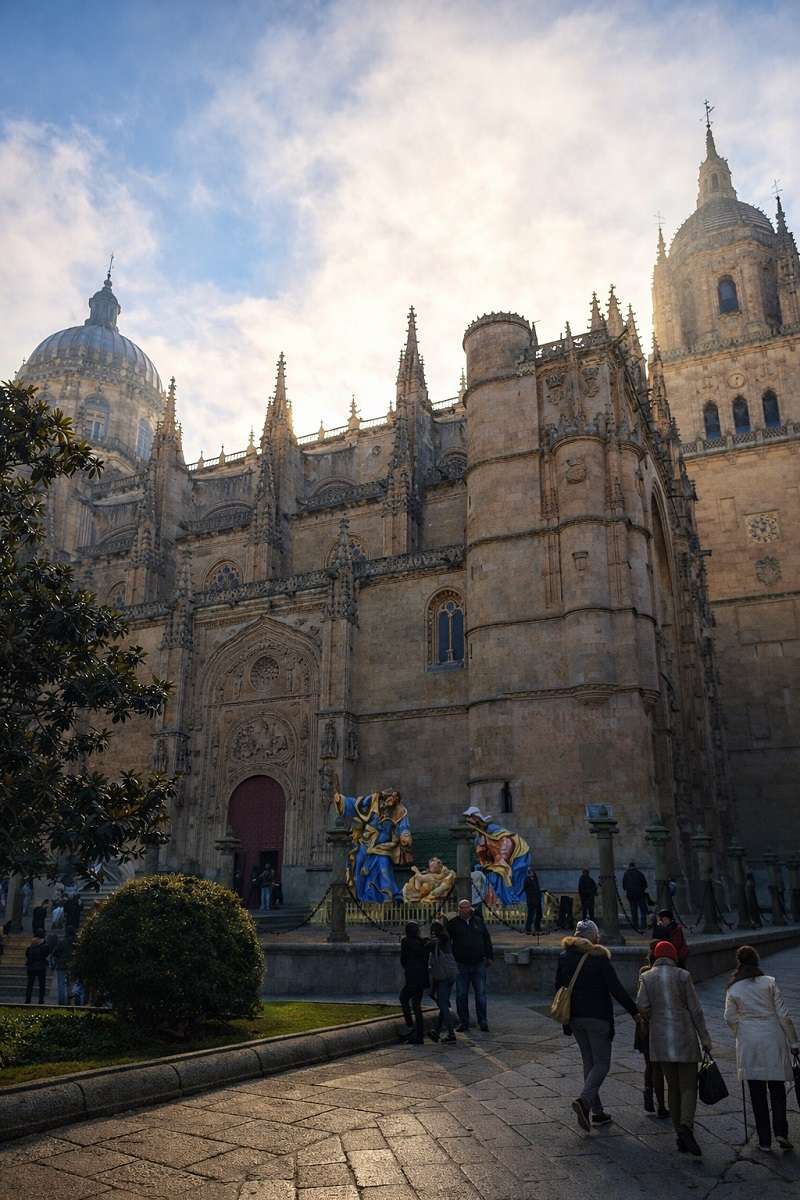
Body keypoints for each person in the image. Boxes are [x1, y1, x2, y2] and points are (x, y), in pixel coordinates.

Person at [555, 919, 638, 1132]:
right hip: (597, 1018)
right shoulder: (598, 958)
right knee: (602, 1064)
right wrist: (635, 1012)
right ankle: (584, 1102)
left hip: (575, 1018)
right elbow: (616, 989)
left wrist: (565, 1020)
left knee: (589, 1063)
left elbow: (559, 988)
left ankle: (597, 1112)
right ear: (593, 936)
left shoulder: (564, 956)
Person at [636, 940, 712, 1157]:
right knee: (689, 1086)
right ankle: (687, 1126)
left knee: (673, 1087)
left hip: (661, 1040)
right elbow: (696, 1010)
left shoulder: (646, 977)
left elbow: (641, 1005)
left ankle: (680, 1134)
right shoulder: (683, 976)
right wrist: (705, 1038)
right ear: (673, 956)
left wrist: (654, 1016)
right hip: (684, 1035)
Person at [724, 945, 798, 1152]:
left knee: (756, 1092)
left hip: (749, 1041)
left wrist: (742, 1031)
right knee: (777, 1088)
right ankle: (781, 1132)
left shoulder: (733, 988)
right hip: (772, 1036)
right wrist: (794, 1043)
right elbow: (784, 1015)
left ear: (739, 962)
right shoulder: (769, 983)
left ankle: (764, 1140)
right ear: (756, 961)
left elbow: (728, 1017)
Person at [447, 899, 493, 1033]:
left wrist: (489, 956)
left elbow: (486, 939)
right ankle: (464, 1021)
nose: (466, 910)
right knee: (461, 994)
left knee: (481, 994)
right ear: (459, 909)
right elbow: (447, 941)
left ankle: (483, 1021)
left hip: (478, 963)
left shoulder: (478, 921)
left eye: (467, 908)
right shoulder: (453, 924)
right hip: (461, 964)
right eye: (463, 908)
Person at [635, 941, 669, 1118]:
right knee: (660, 1067)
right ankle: (661, 1104)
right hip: (655, 1023)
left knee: (650, 1065)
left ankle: (649, 1097)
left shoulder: (644, 972)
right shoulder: (666, 974)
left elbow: (640, 1003)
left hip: (644, 1025)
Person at [399, 921, 430, 1044]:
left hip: (412, 976)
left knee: (403, 998)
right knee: (416, 1004)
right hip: (422, 977)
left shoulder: (406, 942)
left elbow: (403, 960)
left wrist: (408, 968)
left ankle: (410, 1024)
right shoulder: (423, 943)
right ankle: (419, 1034)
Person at [428, 919, 458, 1042]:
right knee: (443, 1002)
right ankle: (437, 1030)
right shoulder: (446, 939)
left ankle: (451, 1034)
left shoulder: (434, 943)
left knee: (443, 1004)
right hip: (451, 974)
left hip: (443, 977)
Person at [622, 862, 648, 931]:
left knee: (633, 911)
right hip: (640, 894)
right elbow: (645, 884)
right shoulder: (639, 873)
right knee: (643, 910)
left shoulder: (626, 874)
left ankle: (635, 925)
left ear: (629, 866)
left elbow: (624, 886)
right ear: (635, 866)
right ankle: (643, 925)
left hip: (631, 895)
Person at [50, 933, 74, 1006]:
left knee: (61, 985)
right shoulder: (75, 943)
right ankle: (69, 1000)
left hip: (61, 965)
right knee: (70, 984)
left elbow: (55, 953)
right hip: (71, 965)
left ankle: (61, 1001)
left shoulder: (62, 942)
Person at [25, 935, 49, 1004]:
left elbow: (27, 955)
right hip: (41, 967)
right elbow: (46, 954)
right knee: (42, 985)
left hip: (31, 968)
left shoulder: (30, 948)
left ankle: (28, 999)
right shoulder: (43, 947)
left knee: (30, 984)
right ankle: (41, 999)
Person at [524, 868, 542, 934]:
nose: (531, 873)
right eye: (529, 872)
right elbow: (525, 888)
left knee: (539, 914)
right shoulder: (527, 880)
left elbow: (537, 888)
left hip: (537, 899)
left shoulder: (535, 879)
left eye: (531, 871)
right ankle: (528, 928)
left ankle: (537, 927)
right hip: (531, 900)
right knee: (530, 915)